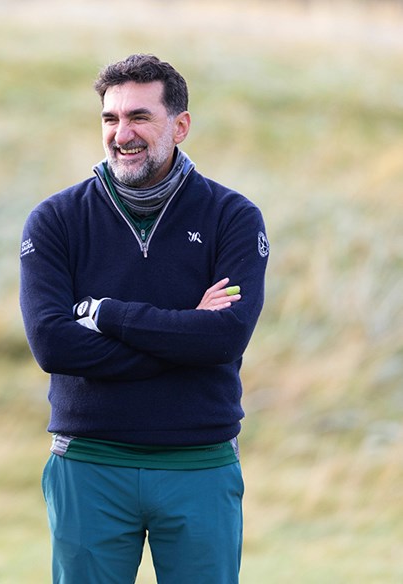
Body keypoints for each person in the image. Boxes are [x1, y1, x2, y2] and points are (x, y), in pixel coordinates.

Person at [19, 54, 270, 584]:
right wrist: (183, 334)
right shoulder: (57, 219)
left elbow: (223, 338)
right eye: (110, 119)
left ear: (179, 126)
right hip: (88, 463)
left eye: (139, 117)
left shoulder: (233, 217)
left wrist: (105, 315)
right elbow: (52, 346)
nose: (122, 133)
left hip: (198, 465)